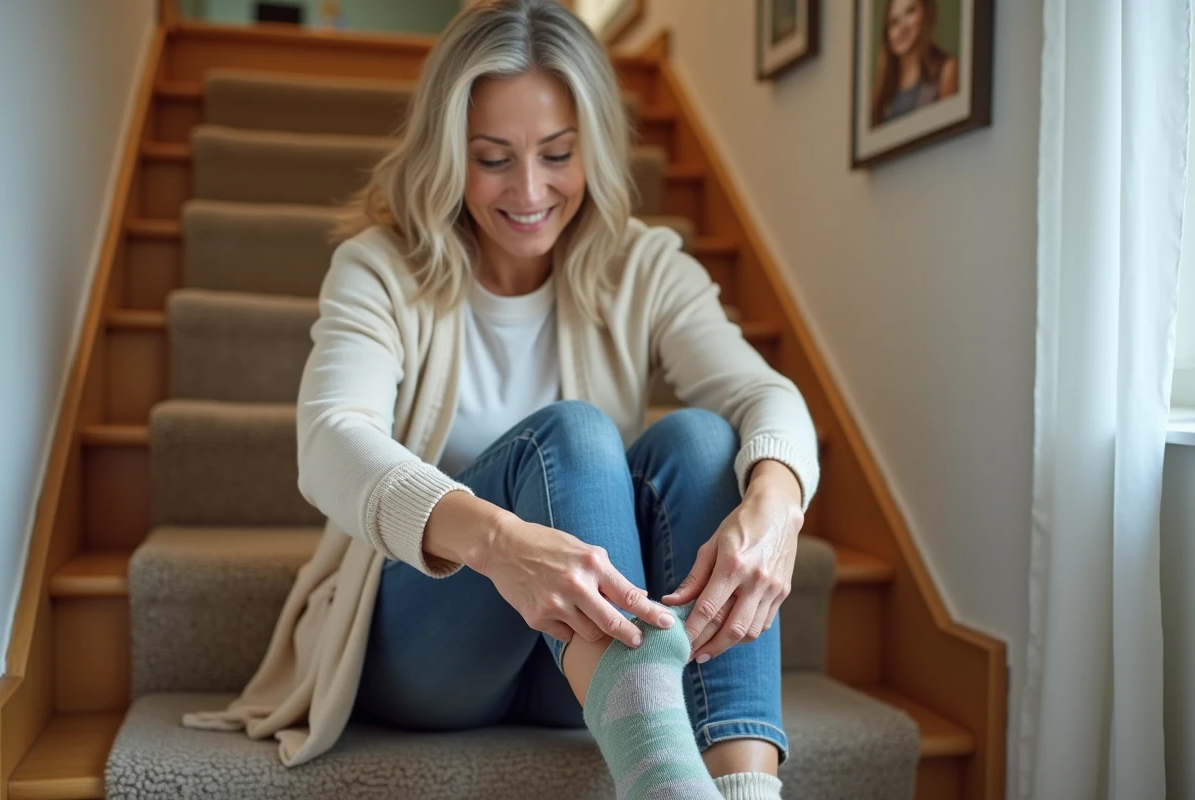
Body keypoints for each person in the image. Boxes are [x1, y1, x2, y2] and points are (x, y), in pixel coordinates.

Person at [183, 2, 820, 798]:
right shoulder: (380, 268)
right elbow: (330, 439)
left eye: (557, 154)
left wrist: (776, 508)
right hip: (431, 647)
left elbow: (765, 393)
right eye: (492, 158)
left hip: (588, 660)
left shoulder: (643, 265)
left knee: (705, 443)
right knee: (574, 437)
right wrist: (499, 543)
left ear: (594, 149)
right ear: (447, 152)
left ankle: (744, 790)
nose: (528, 190)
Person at [870, 0, 960, 127]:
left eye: (910, 11)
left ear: (926, 13)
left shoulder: (947, 71)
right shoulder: (880, 93)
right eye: (894, 22)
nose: (902, 28)